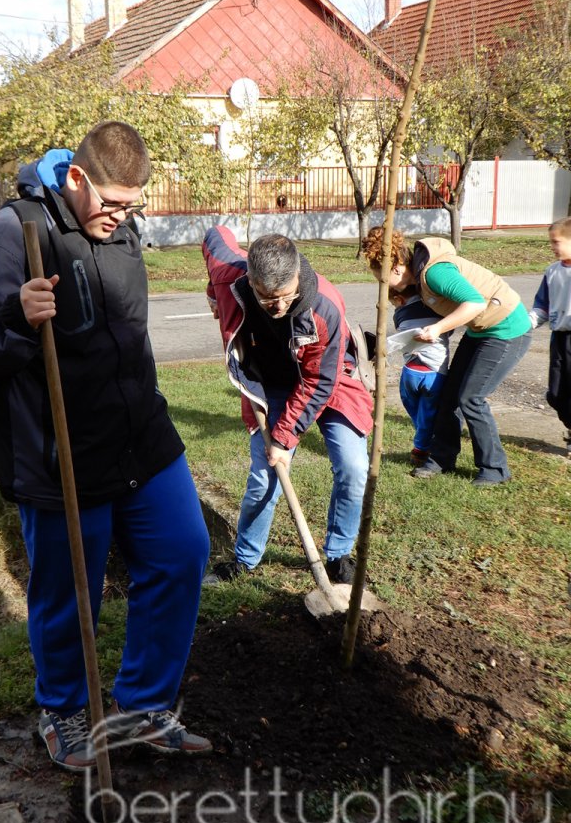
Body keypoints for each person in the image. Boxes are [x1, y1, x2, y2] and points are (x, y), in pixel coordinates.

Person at [0, 121, 211, 771]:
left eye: (132, 207)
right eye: (112, 203)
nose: (120, 217)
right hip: (60, 450)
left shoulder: (121, 229)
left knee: (182, 553)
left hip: (142, 436)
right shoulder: (14, 233)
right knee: (70, 593)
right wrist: (15, 317)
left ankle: (144, 706)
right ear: (77, 177)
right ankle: (63, 710)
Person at [202, 226, 373, 585]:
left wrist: (283, 438)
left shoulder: (324, 306)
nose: (279, 307)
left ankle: (338, 555)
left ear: (297, 275)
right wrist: (214, 293)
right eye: (268, 299)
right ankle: (245, 559)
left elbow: (318, 382)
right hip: (273, 386)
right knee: (265, 478)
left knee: (354, 467)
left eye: (286, 296)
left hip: (330, 379)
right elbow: (215, 236)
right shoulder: (230, 275)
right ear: (251, 280)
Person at [361, 226, 532, 486]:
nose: (382, 285)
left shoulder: (435, 273)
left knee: (471, 398)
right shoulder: (419, 278)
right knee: (449, 396)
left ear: (395, 269)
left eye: (381, 278)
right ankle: (441, 458)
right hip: (481, 330)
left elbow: (475, 303)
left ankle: (495, 468)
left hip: (507, 329)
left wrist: (438, 329)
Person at [388, 285, 450, 465]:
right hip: (435, 372)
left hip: (411, 371)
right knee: (429, 411)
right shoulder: (439, 309)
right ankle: (423, 444)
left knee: (412, 406)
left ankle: (422, 444)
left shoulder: (400, 314)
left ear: (399, 299)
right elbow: (450, 330)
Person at [528, 216, 571, 457]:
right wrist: (524, 324)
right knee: (556, 394)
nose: (552, 247)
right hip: (559, 339)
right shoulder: (552, 271)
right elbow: (541, 306)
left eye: (557, 242)